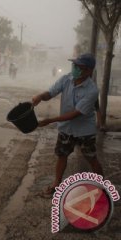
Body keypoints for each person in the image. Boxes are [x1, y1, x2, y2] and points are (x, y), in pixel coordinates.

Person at [32, 53, 104, 196]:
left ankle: (102, 188)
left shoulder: (92, 91)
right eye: (74, 65)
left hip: (85, 131)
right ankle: (55, 186)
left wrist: (50, 120)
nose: (75, 68)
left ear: (89, 71)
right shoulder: (66, 79)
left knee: (91, 157)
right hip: (66, 129)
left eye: (79, 66)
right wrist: (40, 96)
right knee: (62, 155)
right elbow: (51, 93)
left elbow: (75, 114)